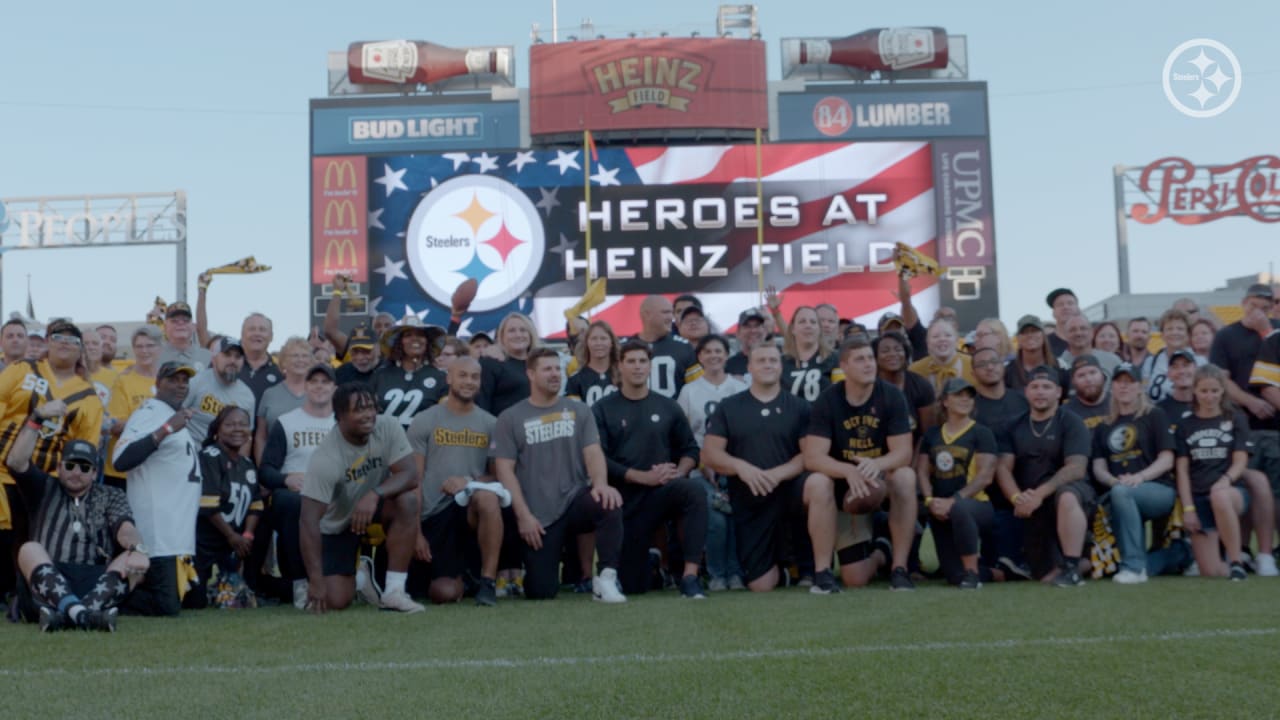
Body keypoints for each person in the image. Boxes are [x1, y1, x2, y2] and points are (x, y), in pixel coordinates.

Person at [492, 348, 626, 603]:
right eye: (547, 369)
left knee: (609, 501)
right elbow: (504, 471)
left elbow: (593, 453)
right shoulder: (510, 417)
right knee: (541, 591)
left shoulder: (579, 410)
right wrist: (524, 517)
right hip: (538, 516)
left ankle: (606, 579)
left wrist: (600, 484)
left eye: (558, 369)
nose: (555, 374)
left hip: (574, 500)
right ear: (531, 374)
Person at [594, 341, 707, 598]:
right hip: (624, 500)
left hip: (662, 493)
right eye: (631, 361)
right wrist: (640, 476)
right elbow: (599, 457)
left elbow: (691, 450)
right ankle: (654, 564)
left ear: (650, 366)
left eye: (643, 361)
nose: (637, 367)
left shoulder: (668, 406)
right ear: (619, 366)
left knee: (693, 491)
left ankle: (690, 576)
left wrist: (678, 472)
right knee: (635, 587)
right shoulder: (603, 409)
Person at [299, 382, 424, 613]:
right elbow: (308, 521)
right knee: (335, 601)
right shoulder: (325, 458)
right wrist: (316, 581)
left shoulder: (388, 426)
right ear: (339, 417)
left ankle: (394, 593)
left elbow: (410, 475)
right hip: (337, 525)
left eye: (371, 407)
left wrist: (375, 494)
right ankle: (360, 578)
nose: (368, 415)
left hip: (373, 510)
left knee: (407, 501)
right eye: (358, 410)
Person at [6, 428, 146, 632]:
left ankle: (67, 615)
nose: (76, 472)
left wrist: (138, 549)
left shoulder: (111, 494)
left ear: (95, 472)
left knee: (134, 559)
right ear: (59, 467)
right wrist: (36, 421)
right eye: (70, 466)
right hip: (46, 582)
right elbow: (16, 462)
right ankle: (85, 616)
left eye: (84, 467)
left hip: (95, 583)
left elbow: (125, 528)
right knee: (28, 549)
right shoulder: (43, 486)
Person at [804, 336, 916, 591]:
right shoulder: (828, 400)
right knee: (855, 579)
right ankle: (824, 573)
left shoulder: (892, 396)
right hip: (844, 487)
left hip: (879, 480)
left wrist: (876, 464)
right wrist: (847, 470)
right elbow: (813, 457)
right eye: (860, 359)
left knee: (905, 476)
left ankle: (900, 568)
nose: (869, 364)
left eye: (869, 358)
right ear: (844, 366)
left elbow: (903, 453)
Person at [701, 343, 812, 592]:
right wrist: (740, 467)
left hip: (790, 496)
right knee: (761, 585)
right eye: (761, 361)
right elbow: (710, 454)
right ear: (749, 367)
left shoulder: (800, 407)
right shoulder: (729, 406)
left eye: (773, 360)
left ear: (781, 366)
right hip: (750, 500)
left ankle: (808, 566)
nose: (768, 365)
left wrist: (777, 474)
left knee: (816, 486)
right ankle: (784, 571)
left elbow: (810, 455)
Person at [406, 356, 504, 607]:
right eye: (462, 375)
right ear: (449, 378)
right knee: (442, 593)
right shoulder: (425, 420)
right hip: (432, 516)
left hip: (467, 512)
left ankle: (488, 583)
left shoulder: (491, 423)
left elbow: (498, 475)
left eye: (474, 377)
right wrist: (416, 533)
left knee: (488, 496)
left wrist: (468, 480)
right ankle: (465, 580)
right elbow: (412, 480)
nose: (469, 382)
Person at [0, 320, 103, 556]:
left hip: (44, 481)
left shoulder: (89, 398)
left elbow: (84, 450)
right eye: (58, 337)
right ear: (47, 342)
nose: (64, 343)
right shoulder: (21, 369)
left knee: (32, 547)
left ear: (80, 351)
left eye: (72, 340)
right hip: (1, 472)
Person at [112, 361, 201, 616]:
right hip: (159, 531)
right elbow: (121, 459)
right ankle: (99, 594)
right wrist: (166, 429)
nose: (181, 385)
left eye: (185, 380)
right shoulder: (150, 411)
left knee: (195, 599)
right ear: (157, 383)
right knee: (166, 605)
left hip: (177, 531)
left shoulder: (172, 414)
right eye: (173, 379)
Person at [1090, 362, 1190, 584]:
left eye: (1130, 382)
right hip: (1120, 490)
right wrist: (1114, 481)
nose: (1124, 387)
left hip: (1158, 490)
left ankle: (1134, 567)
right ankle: (1177, 555)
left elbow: (1167, 459)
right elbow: (1098, 467)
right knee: (1117, 494)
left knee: (1121, 493)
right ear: (1112, 387)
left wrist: (1139, 478)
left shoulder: (1155, 415)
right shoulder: (1103, 425)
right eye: (1119, 382)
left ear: (1139, 386)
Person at [994, 365, 1091, 586]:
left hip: (1068, 495)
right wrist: (1017, 498)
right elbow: (1002, 468)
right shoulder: (1013, 425)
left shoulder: (1071, 422)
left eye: (1047, 387)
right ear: (1026, 392)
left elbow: (1076, 468)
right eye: (1035, 386)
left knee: (1067, 495)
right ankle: (1084, 563)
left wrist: (1038, 494)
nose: (1040, 392)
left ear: (1058, 392)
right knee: (1043, 576)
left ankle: (1072, 569)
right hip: (1032, 503)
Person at [258, 364, 337, 609]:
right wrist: (285, 480)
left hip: (335, 494)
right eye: (314, 381)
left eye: (325, 382)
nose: (319, 387)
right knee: (293, 504)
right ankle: (300, 582)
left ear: (335, 388)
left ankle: (357, 574)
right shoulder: (287, 422)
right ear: (305, 386)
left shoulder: (342, 423)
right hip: (296, 495)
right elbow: (266, 470)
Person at [677, 334, 748, 591]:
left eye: (719, 351)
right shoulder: (689, 391)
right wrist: (702, 464)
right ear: (700, 357)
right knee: (716, 519)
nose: (714, 356)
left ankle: (736, 572)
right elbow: (685, 436)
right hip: (702, 469)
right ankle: (717, 573)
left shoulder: (740, 388)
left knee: (737, 516)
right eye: (707, 351)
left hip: (737, 467)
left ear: (727, 355)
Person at [916, 378, 998, 589]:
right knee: (953, 576)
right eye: (958, 395)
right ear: (945, 401)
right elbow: (923, 471)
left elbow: (985, 477)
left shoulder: (982, 433)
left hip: (975, 505)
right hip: (939, 507)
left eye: (968, 396)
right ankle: (1001, 572)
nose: (965, 399)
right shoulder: (933, 434)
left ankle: (972, 573)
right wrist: (930, 500)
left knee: (960, 509)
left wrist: (954, 500)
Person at [1174, 365, 1251, 580]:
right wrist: (1188, 508)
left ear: (1222, 391)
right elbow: (1182, 470)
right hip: (1199, 496)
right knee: (1211, 572)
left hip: (1231, 492)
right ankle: (1222, 561)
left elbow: (1241, 459)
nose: (1209, 396)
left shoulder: (1235, 418)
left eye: (1215, 391)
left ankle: (1236, 562)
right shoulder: (1185, 425)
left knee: (1220, 496)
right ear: (1195, 392)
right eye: (1204, 391)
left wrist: (1225, 480)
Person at [192, 406, 263, 608]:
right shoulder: (210, 456)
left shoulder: (247, 464)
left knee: (232, 601)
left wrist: (247, 536)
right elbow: (208, 505)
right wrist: (232, 536)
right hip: (205, 544)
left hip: (233, 545)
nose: (237, 429)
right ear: (217, 429)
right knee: (196, 601)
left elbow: (256, 504)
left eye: (242, 424)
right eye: (230, 424)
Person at [970, 346, 1030, 575]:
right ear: (973, 373)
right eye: (982, 364)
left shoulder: (1021, 400)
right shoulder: (971, 406)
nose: (990, 367)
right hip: (985, 490)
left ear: (1003, 365)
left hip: (1022, 483)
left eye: (994, 361)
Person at [104, 326, 162, 488]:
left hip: (156, 471)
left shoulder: (167, 381)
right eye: (139, 346)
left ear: (160, 348)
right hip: (123, 472)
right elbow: (115, 426)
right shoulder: (122, 381)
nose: (144, 351)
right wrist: (159, 427)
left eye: (150, 346)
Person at [373, 318, 447, 429]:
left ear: (427, 342)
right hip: (385, 443)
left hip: (423, 444)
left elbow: (446, 418)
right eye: (408, 335)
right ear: (399, 342)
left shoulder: (440, 378)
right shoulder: (380, 375)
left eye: (420, 335)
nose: (415, 339)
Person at [183, 337, 255, 446]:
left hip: (225, 459)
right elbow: (173, 416)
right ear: (214, 358)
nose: (232, 361)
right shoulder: (196, 382)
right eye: (227, 355)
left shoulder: (247, 396)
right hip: (192, 454)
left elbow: (246, 439)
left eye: (238, 357)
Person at [253, 338, 316, 462]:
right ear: (284, 361)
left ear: (311, 361)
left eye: (304, 356)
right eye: (294, 356)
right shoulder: (270, 394)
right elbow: (261, 437)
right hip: (276, 471)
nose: (300, 360)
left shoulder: (321, 394)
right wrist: (263, 471)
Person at [874, 331, 936, 443]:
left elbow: (927, 436)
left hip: (914, 454)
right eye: (885, 351)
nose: (892, 354)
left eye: (898, 349)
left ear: (906, 353)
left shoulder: (921, 386)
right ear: (875, 357)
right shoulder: (867, 386)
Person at [477, 312, 540, 417]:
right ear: (502, 336)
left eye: (523, 330)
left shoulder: (540, 364)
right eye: (511, 331)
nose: (518, 335)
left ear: (530, 334)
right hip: (503, 429)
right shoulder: (490, 363)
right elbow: (482, 403)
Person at [634, 295, 696, 398]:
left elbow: (698, 388)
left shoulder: (684, 347)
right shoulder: (623, 347)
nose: (671, 317)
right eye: (665, 312)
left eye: (671, 313)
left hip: (674, 413)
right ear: (647, 314)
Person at [781, 306, 840, 403]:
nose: (808, 325)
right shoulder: (781, 362)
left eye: (813, 322)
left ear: (819, 329)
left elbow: (841, 394)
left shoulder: (834, 359)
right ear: (793, 329)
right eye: (802, 321)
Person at [1143, 309, 1202, 403]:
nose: (1175, 333)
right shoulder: (1151, 362)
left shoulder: (1200, 362)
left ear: (1188, 334)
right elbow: (1144, 394)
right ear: (1162, 334)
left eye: (1180, 329)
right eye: (1169, 329)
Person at [909, 318, 975, 397]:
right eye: (935, 336)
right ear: (927, 342)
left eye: (948, 335)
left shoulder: (974, 365)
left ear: (956, 340)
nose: (942, 339)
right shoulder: (914, 371)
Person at [566, 320, 620, 408]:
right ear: (587, 343)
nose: (599, 343)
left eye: (603, 338)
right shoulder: (575, 379)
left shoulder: (624, 376)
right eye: (594, 339)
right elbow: (573, 413)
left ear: (611, 343)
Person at [1006, 315, 1064, 392]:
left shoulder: (1059, 366)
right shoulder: (1008, 371)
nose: (1030, 335)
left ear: (1043, 336)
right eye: (1024, 332)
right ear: (1018, 339)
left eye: (1034, 331)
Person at [1058, 314, 1122, 384]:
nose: (1078, 333)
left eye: (1083, 328)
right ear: (1065, 335)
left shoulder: (1112, 361)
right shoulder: (1059, 365)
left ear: (1092, 332)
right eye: (1072, 330)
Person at [157, 302, 213, 372]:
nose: (180, 323)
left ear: (193, 326)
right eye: (174, 321)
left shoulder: (208, 357)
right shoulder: (154, 356)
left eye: (186, 320)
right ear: (165, 327)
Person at [1063, 355, 1111, 431]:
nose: (1088, 379)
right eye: (1081, 375)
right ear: (1073, 381)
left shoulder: (1119, 404)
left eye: (1093, 372)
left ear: (1102, 375)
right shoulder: (1064, 414)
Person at [725, 308, 768, 380]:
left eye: (757, 325)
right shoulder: (728, 365)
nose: (753, 330)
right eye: (747, 326)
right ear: (738, 333)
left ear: (765, 331)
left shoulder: (776, 361)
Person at [82, 329, 118, 410]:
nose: (91, 347)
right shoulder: (70, 374)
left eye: (95, 344)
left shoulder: (116, 377)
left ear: (102, 349)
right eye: (85, 343)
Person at [1045, 288, 1079, 357]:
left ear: (1078, 309)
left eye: (1070, 303)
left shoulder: (1092, 339)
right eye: (1060, 304)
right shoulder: (1044, 344)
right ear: (1053, 313)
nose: (1066, 307)